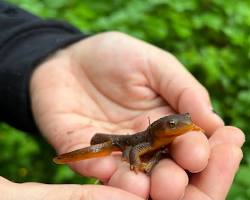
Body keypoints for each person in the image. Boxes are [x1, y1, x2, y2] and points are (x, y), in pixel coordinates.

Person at [0, 1, 245, 200]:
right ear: (158, 129)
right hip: (124, 141)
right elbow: (136, 150)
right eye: (171, 126)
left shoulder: (178, 128)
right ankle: (98, 149)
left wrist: (190, 125)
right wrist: (135, 163)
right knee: (108, 144)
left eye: (184, 123)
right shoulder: (146, 141)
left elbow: (185, 122)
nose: (180, 126)